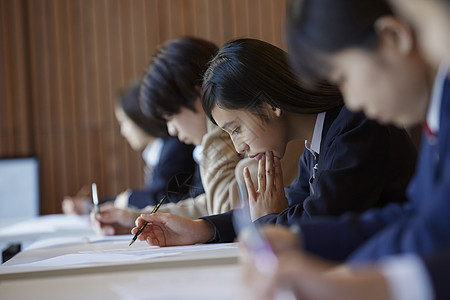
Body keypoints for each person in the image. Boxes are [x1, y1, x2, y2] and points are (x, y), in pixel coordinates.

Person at [243, 0, 450, 299]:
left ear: (393, 37)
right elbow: (416, 214)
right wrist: (301, 240)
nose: (351, 101)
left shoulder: (356, 125)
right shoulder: (439, 109)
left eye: (343, 78)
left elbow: (434, 230)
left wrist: (357, 283)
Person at [131, 38, 416, 246]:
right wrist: (201, 228)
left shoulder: (354, 127)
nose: (238, 146)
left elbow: (315, 221)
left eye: (236, 129)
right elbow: (293, 206)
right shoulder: (318, 138)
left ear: (269, 106)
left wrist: (265, 222)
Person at [94, 37, 303, 236]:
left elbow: (223, 209)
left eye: (171, 117)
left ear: (198, 96)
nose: (172, 131)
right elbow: (208, 205)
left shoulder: (265, 136)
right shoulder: (251, 134)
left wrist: (214, 125)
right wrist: (135, 219)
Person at [62, 80, 197, 216]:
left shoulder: (175, 149)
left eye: (124, 122)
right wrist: (89, 205)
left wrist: (130, 198)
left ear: (140, 117)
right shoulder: (160, 149)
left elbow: (162, 199)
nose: (123, 131)